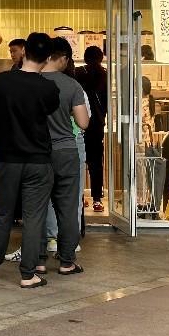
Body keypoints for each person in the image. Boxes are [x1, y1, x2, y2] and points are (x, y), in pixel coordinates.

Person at [0, 33, 59, 288]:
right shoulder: (49, 88)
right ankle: (28, 274)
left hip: (8, 159)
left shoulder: (3, 82)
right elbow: (49, 110)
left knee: (2, 215)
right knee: (34, 218)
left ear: (25, 51)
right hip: (39, 160)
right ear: (48, 58)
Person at [37, 38, 89, 275]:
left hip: (38, 152)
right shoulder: (71, 85)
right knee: (68, 208)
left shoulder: (32, 82)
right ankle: (67, 261)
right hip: (66, 151)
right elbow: (83, 122)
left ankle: (38, 260)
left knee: (37, 207)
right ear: (64, 58)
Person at [75, 46, 107, 212]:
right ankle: (97, 199)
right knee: (96, 164)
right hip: (97, 125)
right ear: (101, 58)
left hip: (79, 122)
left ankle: (80, 197)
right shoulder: (104, 74)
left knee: (79, 162)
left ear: (85, 57)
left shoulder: (78, 73)